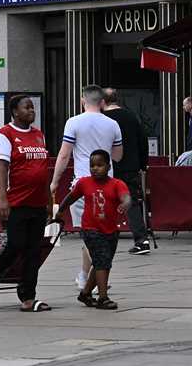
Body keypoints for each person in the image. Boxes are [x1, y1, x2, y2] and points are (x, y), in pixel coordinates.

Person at [0, 95, 52, 312]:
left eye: (32, 107)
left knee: (33, 250)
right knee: (15, 244)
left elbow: (42, 171)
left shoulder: (39, 136)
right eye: (26, 107)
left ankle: (28, 297)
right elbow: (1, 168)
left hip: (37, 202)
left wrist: (49, 200)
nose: (32, 111)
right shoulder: (5, 134)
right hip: (16, 202)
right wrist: (2, 199)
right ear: (14, 112)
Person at [50, 85, 123, 294]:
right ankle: (85, 276)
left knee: (88, 233)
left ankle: (94, 276)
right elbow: (117, 155)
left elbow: (64, 155)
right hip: (108, 187)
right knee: (99, 234)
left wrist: (55, 181)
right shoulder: (112, 124)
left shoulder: (73, 123)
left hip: (82, 184)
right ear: (102, 102)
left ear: (83, 101)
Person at [59, 149, 131, 310]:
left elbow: (126, 197)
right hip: (91, 230)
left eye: (99, 165)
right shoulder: (84, 183)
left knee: (101, 262)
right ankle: (103, 298)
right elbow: (71, 197)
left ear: (108, 166)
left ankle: (85, 294)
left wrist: (125, 204)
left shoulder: (116, 184)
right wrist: (60, 211)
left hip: (110, 230)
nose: (95, 168)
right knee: (102, 262)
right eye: (92, 165)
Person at [102, 88, 151, 254]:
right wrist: (143, 164)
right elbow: (142, 140)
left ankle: (104, 238)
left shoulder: (102, 119)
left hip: (106, 167)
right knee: (131, 203)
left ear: (102, 101)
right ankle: (141, 240)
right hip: (130, 166)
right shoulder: (131, 116)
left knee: (105, 201)